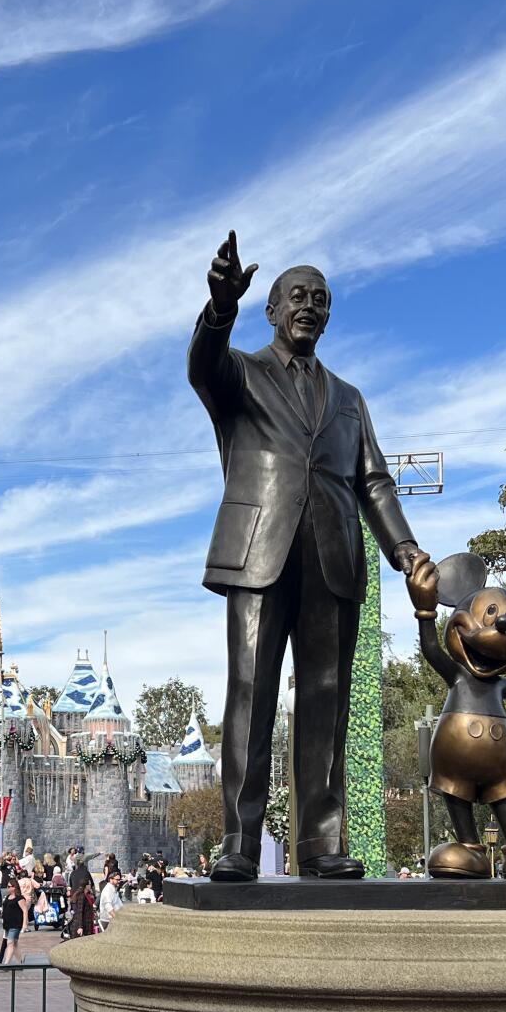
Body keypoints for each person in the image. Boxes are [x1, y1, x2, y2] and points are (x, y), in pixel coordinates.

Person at [189, 233, 432, 881]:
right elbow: (202, 367)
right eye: (297, 296)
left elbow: (373, 482)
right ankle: (240, 842)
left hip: (334, 556)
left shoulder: (349, 398)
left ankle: (321, 843)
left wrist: (403, 549)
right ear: (270, 308)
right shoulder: (241, 374)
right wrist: (218, 309)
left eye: (321, 299)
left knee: (326, 697)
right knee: (251, 692)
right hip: (258, 552)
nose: (310, 307)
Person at [0, 882, 25, 964]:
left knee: (10, 943)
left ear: (14, 887)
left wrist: (24, 925)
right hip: (7, 924)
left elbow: (25, 910)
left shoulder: (19, 898)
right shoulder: (7, 897)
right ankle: (20, 962)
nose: (8, 888)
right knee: (15, 943)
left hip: (15, 924)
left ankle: (6, 963)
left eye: (9, 886)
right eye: (7, 886)